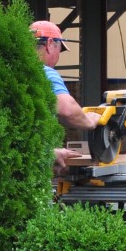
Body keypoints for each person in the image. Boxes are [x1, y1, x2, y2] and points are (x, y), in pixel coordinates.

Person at [30, 19, 100, 174]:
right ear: (49, 44)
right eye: (58, 49)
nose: (58, 58)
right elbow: (67, 109)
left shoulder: (9, 72)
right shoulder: (44, 72)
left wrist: (49, 152)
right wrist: (90, 121)